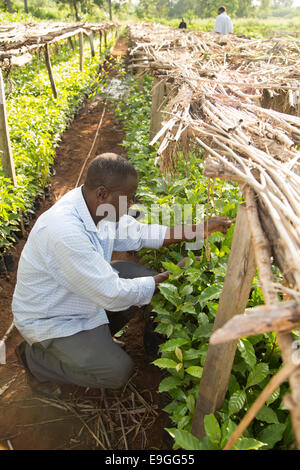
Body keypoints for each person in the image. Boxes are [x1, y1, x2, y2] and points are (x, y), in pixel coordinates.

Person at [13, 153, 232, 397]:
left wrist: (199, 229)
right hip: (53, 319)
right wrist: (171, 276)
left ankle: (95, 343)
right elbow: (112, 295)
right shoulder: (65, 232)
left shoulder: (97, 207)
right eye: (128, 198)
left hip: (81, 297)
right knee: (117, 370)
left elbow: (141, 234)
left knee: (138, 275)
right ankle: (36, 360)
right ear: (103, 194)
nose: (131, 205)